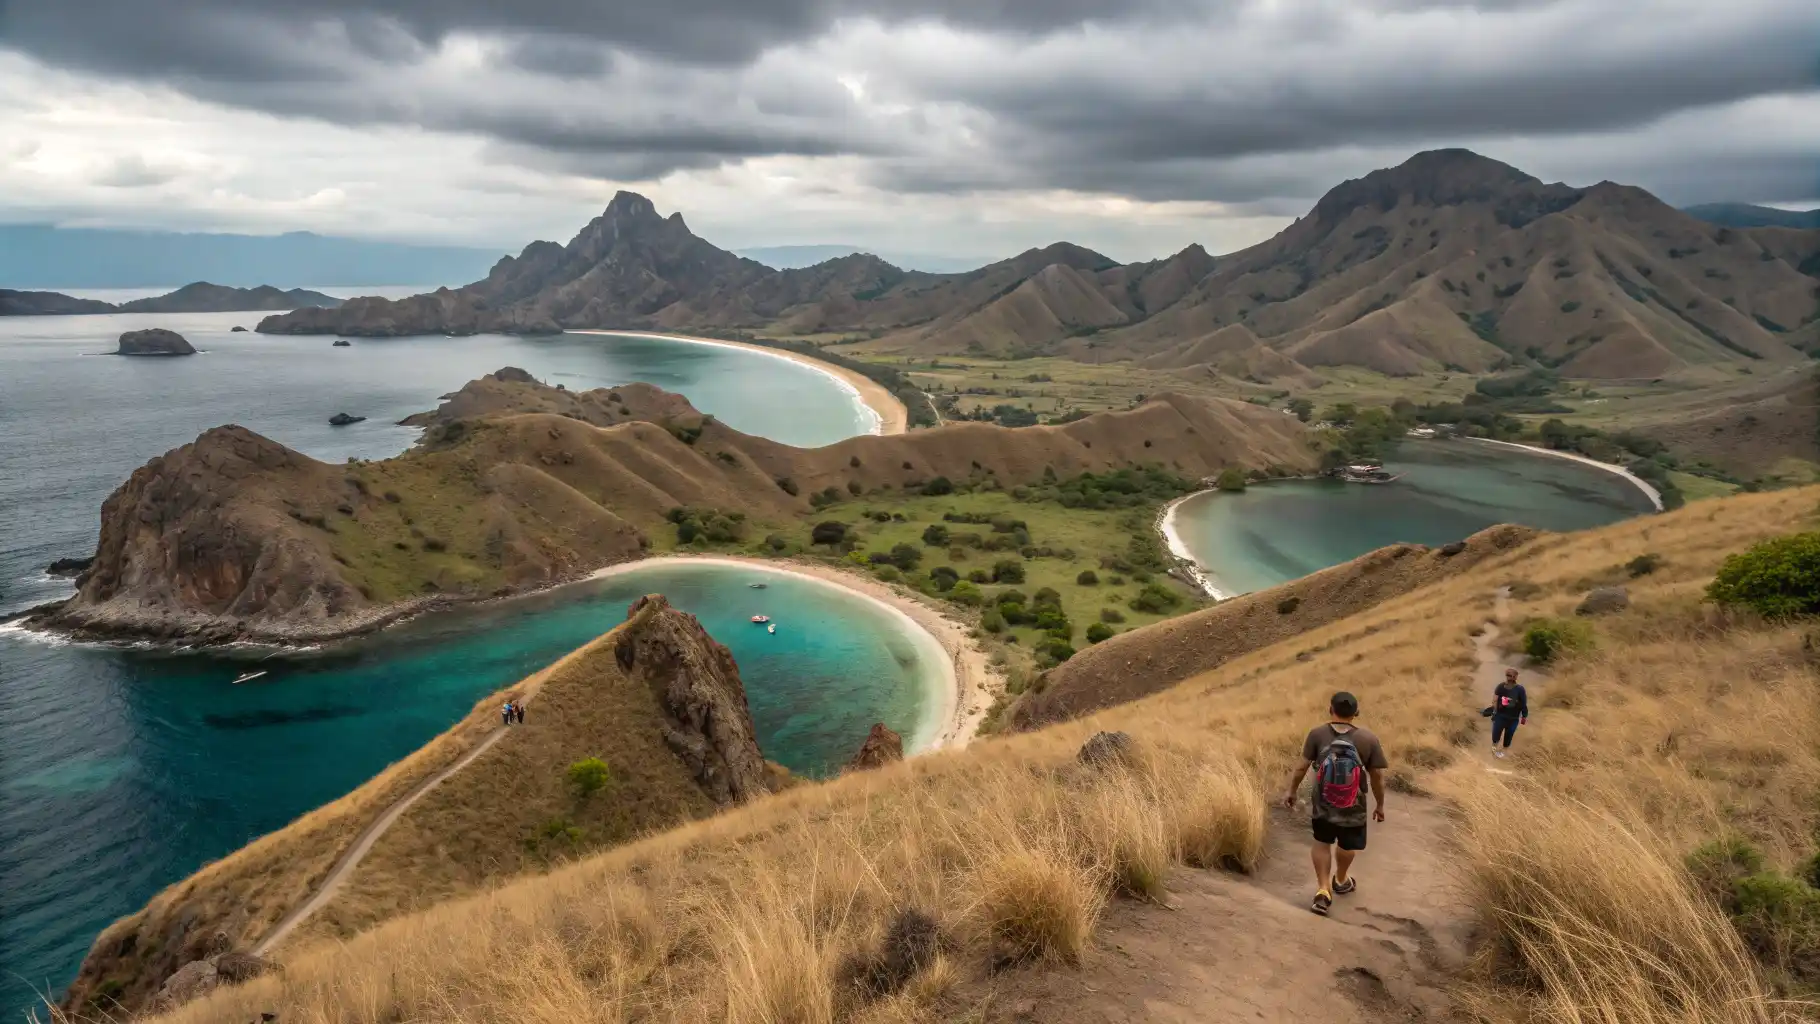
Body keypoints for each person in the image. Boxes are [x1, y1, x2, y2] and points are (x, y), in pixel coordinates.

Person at [1283, 691, 1388, 917]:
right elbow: (1377, 776)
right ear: (1356, 713)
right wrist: (1380, 804)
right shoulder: (1368, 739)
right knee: (1347, 845)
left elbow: (1301, 767)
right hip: (1354, 805)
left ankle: (1323, 889)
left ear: (1330, 709)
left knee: (1322, 843)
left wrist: (1292, 791)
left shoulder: (1317, 734)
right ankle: (1340, 879)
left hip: (1323, 803)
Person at [1490, 668, 1528, 758]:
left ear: (1516, 677)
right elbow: (1494, 700)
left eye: (1513, 676)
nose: (1511, 678)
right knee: (1495, 737)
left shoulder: (1520, 689)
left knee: (1508, 738)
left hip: (1513, 719)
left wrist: (1524, 716)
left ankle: (1502, 755)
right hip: (1500, 716)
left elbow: (1524, 703)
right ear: (1506, 676)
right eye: (1509, 675)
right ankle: (1493, 753)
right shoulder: (1500, 686)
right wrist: (1494, 712)